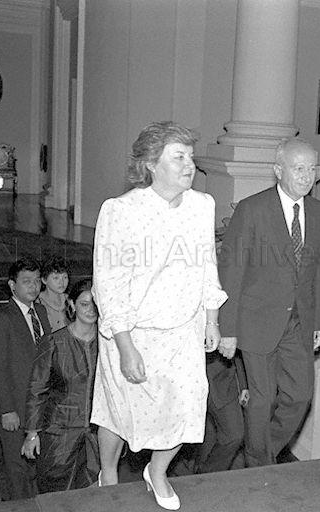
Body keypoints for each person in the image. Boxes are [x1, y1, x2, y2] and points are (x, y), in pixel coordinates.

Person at [91, 122, 227, 510]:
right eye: (178, 157)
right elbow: (109, 282)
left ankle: (158, 470)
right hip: (132, 332)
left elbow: (207, 266)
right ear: (151, 164)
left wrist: (212, 318)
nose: (190, 165)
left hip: (183, 330)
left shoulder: (203, 205)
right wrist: (125, 345)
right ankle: (109, 472)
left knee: (187, 405)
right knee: (120, 408)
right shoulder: (121, 210)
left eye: (190, 157)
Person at [218, 137, 320, 467]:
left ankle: (260, 453)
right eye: (299, 169)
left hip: (299, 323)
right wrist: (228, 329)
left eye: (312, 169)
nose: (306, 176)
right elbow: (232, 272)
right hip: (256, 322)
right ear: (278, 170)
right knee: (263, 399)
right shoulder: (252, 209)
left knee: (300, 397)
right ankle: (259, 468)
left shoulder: (319, 211)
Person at [21, 279, 100, 493]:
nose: (91, 309)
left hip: (96, 435)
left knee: (92, 496)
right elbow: (37, 389)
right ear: (72, 304)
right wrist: (32, 433)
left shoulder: (108, 344)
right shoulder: (54, 342)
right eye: (84, 304)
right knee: (57, 495)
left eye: (95, 303)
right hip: (58, 435)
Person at [0, 257, 52, 500]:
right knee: (16, 469)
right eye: (26, 282)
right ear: (12, 285)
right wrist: (6, 410)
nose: (33, 287)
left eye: (36, 281)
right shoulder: (0, 320)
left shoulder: (41, 312)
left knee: (36, 466)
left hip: (39, 406)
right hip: (14, 407)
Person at [36, 256, 71, 331]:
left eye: (65, 277)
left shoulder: (70, 300)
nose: (61, 282)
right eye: (56, 278)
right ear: (44, 280)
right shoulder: (37, 303)